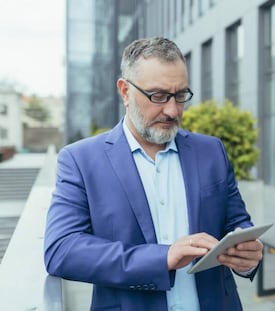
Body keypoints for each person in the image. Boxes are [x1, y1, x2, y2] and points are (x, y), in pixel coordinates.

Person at [44, 37, 263, 311]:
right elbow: (61, 250)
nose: (172, 110)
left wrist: (248, 256)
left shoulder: (211, 151)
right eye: (158, 96)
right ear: (125, 91)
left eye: (180, 95)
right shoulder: (80, 160)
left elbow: (238, 224)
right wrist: (162, 258)